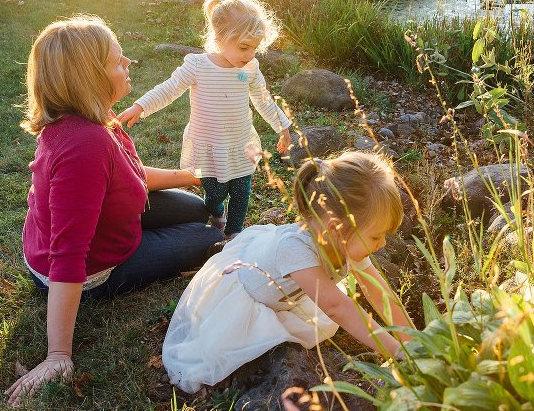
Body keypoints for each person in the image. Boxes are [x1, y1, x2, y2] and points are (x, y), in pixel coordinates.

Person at [5, 15, 223, 406]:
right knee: (209, 236)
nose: (128, 66)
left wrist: (190, 174)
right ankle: (135, 250)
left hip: (108, 216)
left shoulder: (97, 120)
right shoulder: (84, 147)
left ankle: (150, 226)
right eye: (118, 62)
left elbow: (129, 175)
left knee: (197, 207)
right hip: (88, 269)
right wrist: (59, 355)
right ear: (91, 78)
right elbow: (69, 254)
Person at [162, 151, 414, 394]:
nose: (382, 244)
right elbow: (337, 307)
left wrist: (412, 340)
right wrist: (396, 351)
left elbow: (381, 294)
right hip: (247, 297)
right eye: (376, 236)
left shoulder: (345, 239)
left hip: (286, 292)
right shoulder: (295, 250)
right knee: (230, 349)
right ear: (336, 227)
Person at [117, 0, 292, 240]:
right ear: (220, 38)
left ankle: (233, 234)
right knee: (214, 193)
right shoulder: (198, 65)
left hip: (240, 143)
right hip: (209, 146)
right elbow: (170, 87)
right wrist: (141, 106)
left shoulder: (250, 69)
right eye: (244, 47)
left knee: (242, 191)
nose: (250, 55)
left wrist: (282, 127)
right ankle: (216, 214)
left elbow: (263, 100)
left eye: (255, 48)